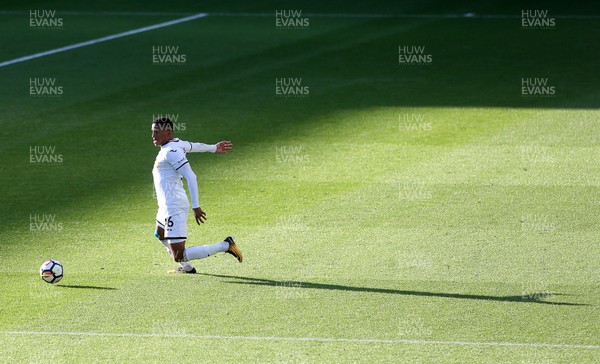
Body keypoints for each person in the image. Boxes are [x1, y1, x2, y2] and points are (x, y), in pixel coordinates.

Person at [151, 117, 242, 274]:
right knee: (159, 234)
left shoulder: (170, 152)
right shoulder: (176, 144)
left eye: (157, 132)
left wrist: (196, 206)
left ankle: (226, 245)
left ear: (168, 132)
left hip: (174, 206)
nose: (153, 135)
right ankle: (187, 268)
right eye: (152, 132)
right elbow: (194, 146)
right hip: (165, 206)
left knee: (179, 255)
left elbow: (191, 176)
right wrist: (214, 148)